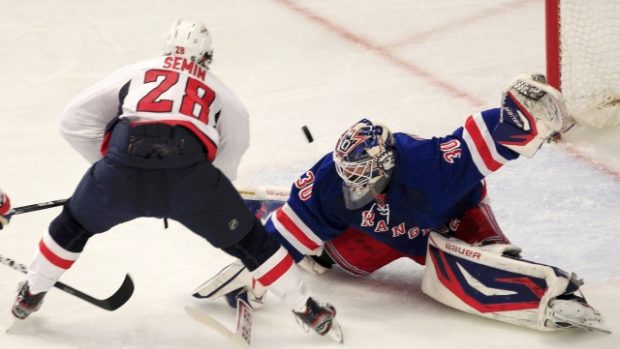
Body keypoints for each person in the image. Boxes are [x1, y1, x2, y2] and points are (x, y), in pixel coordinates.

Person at [11, 18, 342, 340]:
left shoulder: (137, 70)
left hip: (122, 166)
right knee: (253, 244)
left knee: (72, 226)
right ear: (207, 57)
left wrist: (107, 169)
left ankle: (32, 292)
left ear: (167, 48)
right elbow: (232, 152)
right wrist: (202, 197)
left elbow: (73, 121)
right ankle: (308, 310)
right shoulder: (223, 93)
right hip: (192, 179)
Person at [198, 73, 608, 332]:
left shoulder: (431, 166)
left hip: (451, 214)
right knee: (344, 261)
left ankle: (549, 296)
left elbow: (486, 136)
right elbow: (286, 237)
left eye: (363, 179)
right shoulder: (330, 179)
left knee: (475, 262)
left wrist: (527, 114)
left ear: (386, 166)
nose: (353, 187)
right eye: (348, 178)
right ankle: (320, 247)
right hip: (387, 231)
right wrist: (254, 271)